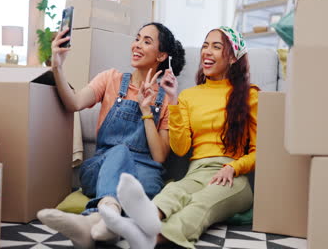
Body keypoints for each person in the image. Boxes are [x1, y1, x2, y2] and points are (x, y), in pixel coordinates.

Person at [98, 26, 259, 249]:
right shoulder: (188, 96)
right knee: (173, 191)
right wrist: (173, 101)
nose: (206, 52)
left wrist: (234, 168)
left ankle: (152, 239)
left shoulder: (250, 95)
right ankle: (138, 225)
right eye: (205, 46)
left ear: (232, 57)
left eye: (216, 46)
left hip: (232, 175)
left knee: (201, 203)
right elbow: (181, 149)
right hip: (196, 171)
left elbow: (260, 152)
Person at [37, 22, 185, 248]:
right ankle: (105, 218)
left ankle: (97, 223)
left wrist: (146, 111)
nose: (137, 45)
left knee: (137, 186)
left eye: (147, 41)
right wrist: (57, 66)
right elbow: (74, 102)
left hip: (143, 173)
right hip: (102, 166)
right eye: (137, 38)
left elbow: (159, 157)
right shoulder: (111, 79)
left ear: (161, 55)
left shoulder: (166, 97)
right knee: (120, 152)